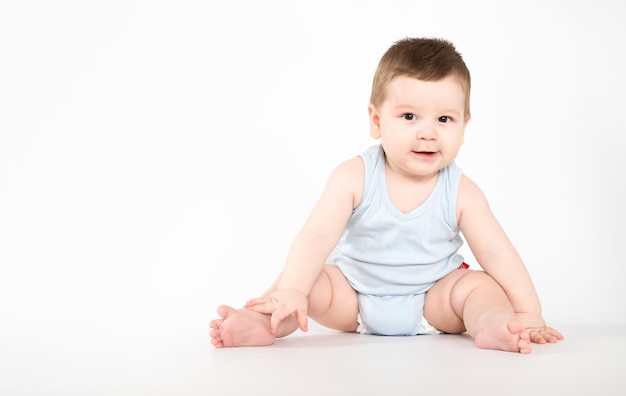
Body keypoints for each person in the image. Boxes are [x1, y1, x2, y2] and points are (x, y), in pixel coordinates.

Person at [209, 37, 564, 353]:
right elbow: (316, 236)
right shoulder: (354, 176)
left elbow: (497, 251)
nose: (428, 133)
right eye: (409, 116)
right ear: (376, 121)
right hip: (353, 299)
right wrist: (293, 291)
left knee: (478, 287)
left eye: (444, 120)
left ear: (464, 126)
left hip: (434, 300)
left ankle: (491, 325)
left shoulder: (461, 191)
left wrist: (528, 311)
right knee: (307, 279)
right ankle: (267, 321)